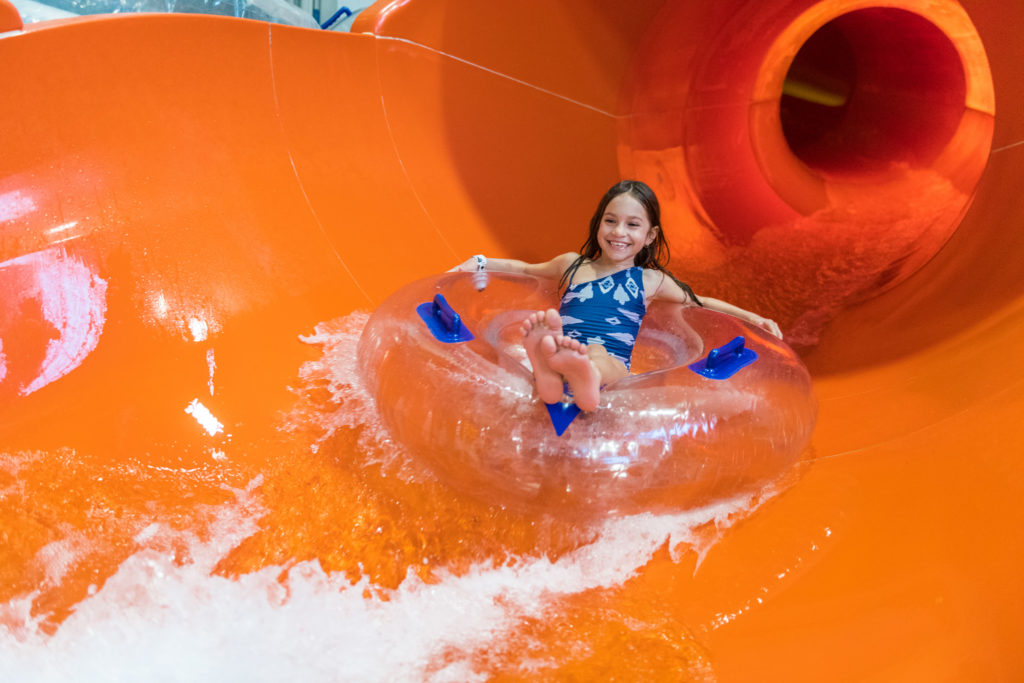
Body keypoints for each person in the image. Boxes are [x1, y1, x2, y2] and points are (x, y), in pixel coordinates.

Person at [450, 180, 781, 412]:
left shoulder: (650, 280)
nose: (619, 232)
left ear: (650, 236)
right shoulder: (572, 265)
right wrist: (479, 261)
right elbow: (523, 269)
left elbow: (700, 302)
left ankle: (569, 372)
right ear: (598, 225)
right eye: (610, 221)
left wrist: (753, 317)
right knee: (564, 350)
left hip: (613, 371)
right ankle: (552, 373)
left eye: (632, 225)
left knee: (593, 354)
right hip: (568, 354)